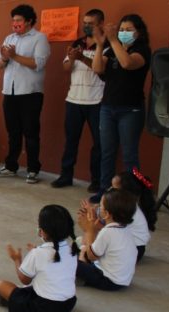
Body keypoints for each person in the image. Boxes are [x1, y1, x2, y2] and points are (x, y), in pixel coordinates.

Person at [90, 14, 151, 203]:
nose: (124, 33)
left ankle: (132, 194)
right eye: (121, 29)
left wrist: (114, 40)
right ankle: (105, 190)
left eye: (128, 30)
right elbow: (97, 68)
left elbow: (127, 63)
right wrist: (100, 45)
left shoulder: (142, 49)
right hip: (108, 108)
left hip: (130, 110)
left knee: (129, 154)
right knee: (107, 152)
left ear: (138, 32)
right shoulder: (110, 49)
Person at [0, 205, 79, 312]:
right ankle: (14, 300)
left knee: (2, 285)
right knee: (30, 288)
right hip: (69, 304)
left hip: (44, 309)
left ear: (42, 232)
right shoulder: (72, 249)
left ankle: (10, 302)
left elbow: (24, 279)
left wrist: (17, 260)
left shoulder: (38, 253)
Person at [0, 4, 50, 184]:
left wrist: (15, 56)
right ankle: (11, 166)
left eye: (19, 20)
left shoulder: (39, 38)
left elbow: (38, 63)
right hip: (10, 91)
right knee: (13, 132)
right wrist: (5, 57)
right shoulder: (9, 38)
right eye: (13, 20)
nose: (15, 23)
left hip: (30, 93)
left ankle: (33, 169)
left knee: (31, 132)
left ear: (29, 21)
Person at [51, 9, 106, 192]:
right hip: (74, 100)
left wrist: (81, 58)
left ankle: (96, 180)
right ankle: (66, 175)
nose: (87, 26)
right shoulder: (78, 43)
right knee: (71, 140)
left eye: (91, 23)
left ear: (101, 24)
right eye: (85, 22)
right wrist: (73, 59)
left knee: (99, 144)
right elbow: (66, 68)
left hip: (97, 101)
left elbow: (101, 69)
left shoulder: (107, 45)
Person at [80, 169, 156, 262]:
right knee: (89, 238)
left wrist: (91, 225)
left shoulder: (125, 209)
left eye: (114, 188)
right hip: (131, 247)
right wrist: (93, 213)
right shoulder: (127, 205)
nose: (109, 189)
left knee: (89, 242)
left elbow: (109, 230)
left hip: (132, 250)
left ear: (126, 193)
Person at [77, 188, 138, 290]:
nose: (97, 207)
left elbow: (90, 256)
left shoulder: (108, 232)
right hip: (122, 281)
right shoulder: (125, 228)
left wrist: (89, 231)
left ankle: (80, 278)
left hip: (108, 281)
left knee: (70, 261)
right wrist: (91, 226)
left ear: (107, 214)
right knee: (81, 246)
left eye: (100, 206)